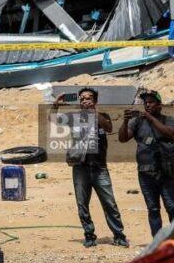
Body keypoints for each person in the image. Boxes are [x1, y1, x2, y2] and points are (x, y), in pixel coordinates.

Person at [54, 88, 129, 248]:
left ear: (94, 101)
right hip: (80, 168)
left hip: (99, 167)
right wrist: (56, 105)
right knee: (82, 204)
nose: (84, 101)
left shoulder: (102, 116)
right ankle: (89, 235)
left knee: (109, 203)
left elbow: (108, 128)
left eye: (88, 99)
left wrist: (92, 112)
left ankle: (119, 235)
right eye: (81, 99)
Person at [118, 89, 174, 237]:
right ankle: (157, 242)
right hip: (145, 173)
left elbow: (169, 133)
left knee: (171, 207)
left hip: (165, 172)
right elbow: (123, 138)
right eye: (146, 103)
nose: (147, 105)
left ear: (160, 105)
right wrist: (125, 121)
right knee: (153, 209)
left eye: (151, 102)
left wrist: (151, 118)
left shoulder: (168, 119)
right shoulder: (138, 122)